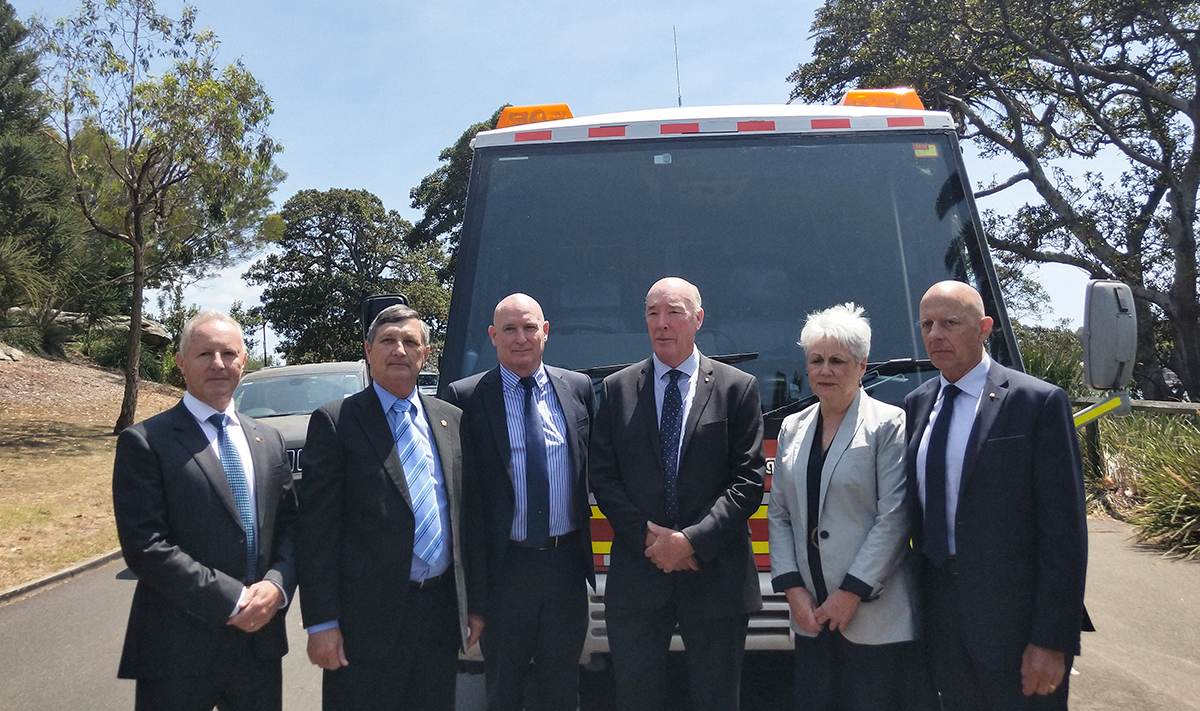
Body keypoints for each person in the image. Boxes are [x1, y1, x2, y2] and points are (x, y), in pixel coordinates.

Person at [907, 280, 1088, 710]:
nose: (936, 335)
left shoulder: (1037, 403)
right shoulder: (917, 403)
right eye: (927, 324)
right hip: (941, 622)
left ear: (984, 327)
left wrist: (1051, 641)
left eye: (951, 322)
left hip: (1016, 628)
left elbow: (1064, 535)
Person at [295, 304, 484, 711]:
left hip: (438, 617)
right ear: (368, 349)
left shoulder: (452, 420)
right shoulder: (336, 422)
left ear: (425, 353)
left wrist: (474, 606)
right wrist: (322, 622)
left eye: (410, 342)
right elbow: (316, 532)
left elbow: (466, 519)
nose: (399, 349)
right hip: (364, 624)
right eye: (387, 341)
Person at [590, 276, 766, 711]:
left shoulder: (736, 388)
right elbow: (604, 478)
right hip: (639, 575)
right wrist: (651, 541)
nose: (662, 323)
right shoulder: (616, 389)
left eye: (674, 312)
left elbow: (747, 481)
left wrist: (691, 541)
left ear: (698, 319)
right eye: (653, 313)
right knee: (636, 698)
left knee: (717, 699)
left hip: (716, 576)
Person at [112, 311, 296, 711]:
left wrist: (277, 585)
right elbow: (146, 547)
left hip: (258, 647)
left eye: (228, 353)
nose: (218, 364)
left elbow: (290, 529)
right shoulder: (145, 442)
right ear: (180, 363)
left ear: (244, 360)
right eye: (204, 354)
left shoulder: (268, 439)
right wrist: (234, 600)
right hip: (177, 649)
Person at [444, 293, 597, 711]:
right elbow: (464, 501)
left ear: (545, 332)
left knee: (562, 688)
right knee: (503, 689)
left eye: (530, 327)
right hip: (504, 570)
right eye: (509, 330)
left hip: (565, 567)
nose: (521, 338)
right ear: (493, 336)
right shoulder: (467, 397)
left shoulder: (578, 389)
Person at [767, 303, 918, 710]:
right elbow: (779, 513)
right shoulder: (792, 428)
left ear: (862, 364)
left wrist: (851, 592)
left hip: (871, 615)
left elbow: (895, 516)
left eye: (838, 360)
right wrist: (793, 589)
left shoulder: (888, 424)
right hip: (811, 615)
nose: (825, 370)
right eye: (816, 360)